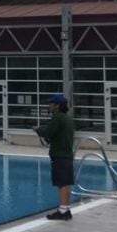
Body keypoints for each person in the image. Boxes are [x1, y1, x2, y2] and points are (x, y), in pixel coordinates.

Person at [36, 93, 75, 221]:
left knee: (61, 183)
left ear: (57, 106)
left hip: (60, 155)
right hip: (67, 154)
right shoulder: (67, 118)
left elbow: (48, 132)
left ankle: (62, 211)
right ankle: (66, 209)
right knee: (66, 183)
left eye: (51, 104)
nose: (49, 106)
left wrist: (38, 130)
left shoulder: (57, 118)